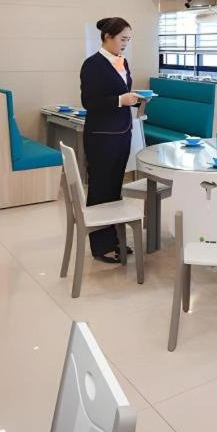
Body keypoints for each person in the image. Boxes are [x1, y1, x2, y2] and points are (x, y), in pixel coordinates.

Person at [79, 17, 142, 263]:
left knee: (115, 189)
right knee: (100, 189)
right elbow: (90, 103)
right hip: (101, 137)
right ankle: (100, 246)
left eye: (128, 39)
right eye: (122, 39)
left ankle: (116, 240)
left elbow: (121, 92)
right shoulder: (92, 64)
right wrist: (120, 100)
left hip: (122, 132)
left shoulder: (122, 61)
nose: (125, 44)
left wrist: (133, 99)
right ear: (108, 37)